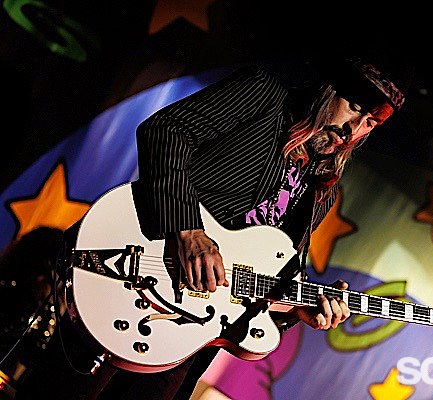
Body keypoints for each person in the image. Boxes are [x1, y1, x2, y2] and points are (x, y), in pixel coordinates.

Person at [15, 54, 406, 399]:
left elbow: (265, 276)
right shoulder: (264, 95)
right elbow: (165, 131)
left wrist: (295, 311)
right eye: (355, 107)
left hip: (195, 333)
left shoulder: (322, 191)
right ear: (328, 90)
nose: (354, 129)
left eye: (370, 122)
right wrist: (189, 231)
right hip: (135, 283)